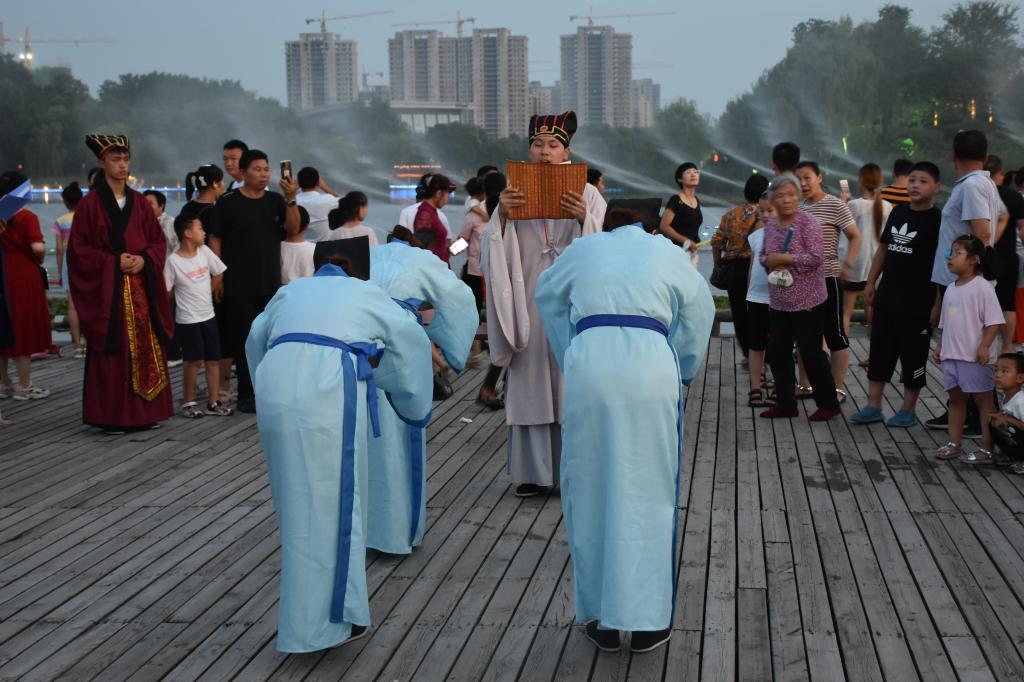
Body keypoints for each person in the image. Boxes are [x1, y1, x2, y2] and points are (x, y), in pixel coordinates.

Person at [535, 206, 714, 654]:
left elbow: (546, 294)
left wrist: (571, 348)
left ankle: (601, 616)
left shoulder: (582, 250)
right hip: (650, 365)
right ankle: (648, 620)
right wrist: (682, 365)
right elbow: (701, 308)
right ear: (647, 227)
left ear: (606, 226)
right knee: (651, 489)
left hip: (590, 365)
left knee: (589, 486)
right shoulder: (665, 251)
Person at [245, 255, 433, 653]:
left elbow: (255, 337)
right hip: (326, 386)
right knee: (336, 505)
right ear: (353, 273)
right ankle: (324, 626)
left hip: (276, 386)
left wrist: (267, 384)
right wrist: (411, 401)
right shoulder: (364, 292)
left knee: (298, 506)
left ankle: (322, 615)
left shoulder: (290, 292)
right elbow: (409, 338)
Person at [481, 110, 607, 497]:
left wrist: (585, 220)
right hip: (529, 296)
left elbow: (604, 245)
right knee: (531, 376)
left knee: (572, 377)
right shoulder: (515, 189)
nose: (545, 152)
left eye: (553, 145)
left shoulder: (588, 192)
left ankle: (576, 472)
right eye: (538, 144)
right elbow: (493, 244)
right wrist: (502, 215)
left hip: (569, 296)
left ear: (567, 151)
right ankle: (532, 474)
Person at [365, 227, 478, 555]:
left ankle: (369, 530)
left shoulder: (367, 256)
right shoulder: (423, 259)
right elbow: (459, 299)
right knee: (398, 434)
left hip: (359, 343)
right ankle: (396, 533)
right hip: (399, 344)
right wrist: (452, 350)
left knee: (367, 437)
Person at [68, 134, 174, 432]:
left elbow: (157, 242)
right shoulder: (89, 206)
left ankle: (146, 413)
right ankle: (112, 416)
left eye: (126, 159)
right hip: (110, 293)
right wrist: (113, 262)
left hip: (141, 288)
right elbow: (79, 252)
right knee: (114, 350)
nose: (122, 165)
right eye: (116, 159)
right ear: (102, 162)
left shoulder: (139, 202)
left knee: (144, 348)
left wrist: (144, 259)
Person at [206, 148, 301, 414]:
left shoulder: (275, 201)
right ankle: (247, 395)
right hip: (237, 283)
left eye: (266, 169)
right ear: (244, 172)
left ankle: (269, 392)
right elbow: (215, 237)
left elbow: (292, 229)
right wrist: (217, 274)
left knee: (270, 338)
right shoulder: (227, 202)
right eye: (257, 169)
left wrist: (291, 199)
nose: (263, 174)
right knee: (244, 340)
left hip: (270, 281)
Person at [926, 130, 1009, 432]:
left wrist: (971, 276)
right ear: (985, 156)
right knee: (960, 346)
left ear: (953, 154)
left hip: (964, 281)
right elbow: (998, 219)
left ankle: (979, 417)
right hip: (956, 280)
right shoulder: (982, 183)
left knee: (970, 349)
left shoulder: (973, 185)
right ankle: (962, 410)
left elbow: (982, 232)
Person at [853, 162, 942, 427]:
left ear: (936, 187)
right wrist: (871, 282)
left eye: (923, 181)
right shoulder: (898, 211)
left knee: (913, 356)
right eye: (912, 180)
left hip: (918, 302)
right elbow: (883, 248)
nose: (915, 185)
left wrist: (938, 303)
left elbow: (942, 265)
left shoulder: (938, 219)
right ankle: (873, 405)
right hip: (888, 296)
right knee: (880, 352)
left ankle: (908, 409)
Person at [758, 174, 840, 421]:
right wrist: (770, 261)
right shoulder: (771, 224)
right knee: (778, 353)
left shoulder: (808, 223)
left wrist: (786, 259)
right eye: (780, 195)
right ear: (772, 199)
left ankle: (828, 404)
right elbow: (763, 255)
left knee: (811, 352)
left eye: (791, 195)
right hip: (779, 300)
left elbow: (817, 257)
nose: (786, 200)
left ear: (798, 196)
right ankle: (786, 404)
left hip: (808, 300)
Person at [933, 234, 1002, 464]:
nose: (950, 258)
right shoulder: (950, 288)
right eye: (950, 253)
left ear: (974, 259)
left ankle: (987, 447)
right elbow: (946, 322)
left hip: (974, 358)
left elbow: (994, 322)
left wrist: (984, 346)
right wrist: (941, 345)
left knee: (984, 402)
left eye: (957, 253)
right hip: (952, 355)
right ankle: (954, 443)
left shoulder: (983, 288)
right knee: (955, 400)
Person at [795, 161, 860, 403]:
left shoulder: (835, 205)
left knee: (834, 334)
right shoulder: (798, 208)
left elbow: (855, 236)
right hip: (803, 280)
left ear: (819, 177)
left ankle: (838, 388)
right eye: (799, 179)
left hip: (828, 276)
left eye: (807, 177)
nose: (803, 183)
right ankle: (805, 385)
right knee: (804, 335)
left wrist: (848, 264)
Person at [163, 214, 231, 418]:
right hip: (187, 319)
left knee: (213, 360)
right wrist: (182, 298)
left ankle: (213, 402)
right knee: (194, 361)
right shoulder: (173, 261)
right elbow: (166, 290)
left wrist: (207, 291)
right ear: (187, 233)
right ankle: (188, 402)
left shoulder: (204, 252)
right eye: (200, 228)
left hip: (208, 316)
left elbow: (219, 271)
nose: (204, 232)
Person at [0, 171, 52, 400]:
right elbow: (38, 248)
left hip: (3, 274)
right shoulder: (27, 217)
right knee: (23, 329)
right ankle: (25, 386)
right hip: (23, 277)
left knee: (3, 327)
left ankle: (3, 383)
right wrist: (40, 256)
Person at [712, 173, 767, 358]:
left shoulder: (731, 215)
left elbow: (717, 242)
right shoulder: (768, 213)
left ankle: (748, 354)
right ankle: (763, 353)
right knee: (761, 310)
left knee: (739, 313)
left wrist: (718, 265)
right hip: (760, 267)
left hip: (734, 269)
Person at [844, 163, 893, 334]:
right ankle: (873, 348)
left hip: (856, 264)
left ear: (861, 181)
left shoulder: (853, 205)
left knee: (846, 313)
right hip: (877, 265)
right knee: (872, 310)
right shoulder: (887, 206)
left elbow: (846, 234)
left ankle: (843, 349)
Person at [985, 155, 1024, 349]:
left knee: (982, 303)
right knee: (1008, 304)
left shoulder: (980, 193)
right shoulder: (1014, 197)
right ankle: (1007, 347)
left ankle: (982, 344)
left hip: (983, 255)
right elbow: (1023, 230)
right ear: (1000, 173)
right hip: (1008, 257)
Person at [746, 193, 776, 407]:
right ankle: (755, 387)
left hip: (779, 298)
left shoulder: (788, 235)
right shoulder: (756, 236)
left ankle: (780, 385)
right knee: (756, 344)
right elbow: (752, 266)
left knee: (779, 344)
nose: (765, 215)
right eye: (762, 211)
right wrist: (748, 292)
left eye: (770, 210)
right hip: (756, 297)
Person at [459, 177, 489, 367]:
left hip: (476, 270)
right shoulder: (494, 210)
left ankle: (475, 353)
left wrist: (449, 252)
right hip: (492, 269)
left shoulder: (472, 215)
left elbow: (463, 239)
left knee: (474, 309)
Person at [54, 181, 85, 358]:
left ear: (65, 201)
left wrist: (60, 272)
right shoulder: (87, 218)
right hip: (87, 259)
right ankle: (91, 343)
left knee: (72, 306)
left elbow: (59, 249)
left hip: (69, 260)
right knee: (90, 302)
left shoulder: (61, 221)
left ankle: (78, 347)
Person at [658, 163, 703, 264]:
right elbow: (664, 226)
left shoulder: (696, 200)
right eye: (688, 172)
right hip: (674, 251)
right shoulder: (676, 200)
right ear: (680, 179)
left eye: (696, 172)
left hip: (690, 252)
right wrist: (686, 241)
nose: (693, 175)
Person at [991, 352, 1024, 473]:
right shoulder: (1006, 396)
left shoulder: (1020, 401)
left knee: (1001, 422)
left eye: (1004, 371)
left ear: (1020, 378)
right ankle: (1010, 456)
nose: (998, 375)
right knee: (994, 421)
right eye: (996, 370)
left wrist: (1008, 419)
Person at [413, 175, 456, 265]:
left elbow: (436, 245)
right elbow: (422, 246)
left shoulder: (432, 212)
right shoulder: (425, 214)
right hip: (433, 268)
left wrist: (453, 249)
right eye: (447, 193)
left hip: (439, 266)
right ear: (439, 193)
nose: (448, 198)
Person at [295, 166, 339, 243]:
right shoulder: (327, 200)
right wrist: (324, 187)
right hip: (322, 247)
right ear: (318, 182)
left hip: (299, 245)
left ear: (298, 182)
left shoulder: (292, 202)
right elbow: (344, 203)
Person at [280, 206, 315, 284]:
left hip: (282, 290)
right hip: (307, 289)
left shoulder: (275, 248)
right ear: (306, 226)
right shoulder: (315, 249)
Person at [144, 190, 177, 257]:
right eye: (143, 203)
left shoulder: (170, 223)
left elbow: (177, 248)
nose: (145, 206)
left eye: (150, 203)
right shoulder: (139, 224)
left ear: (161, 206)